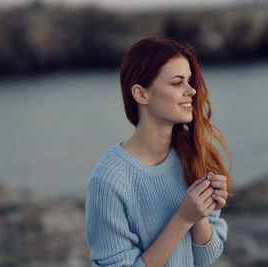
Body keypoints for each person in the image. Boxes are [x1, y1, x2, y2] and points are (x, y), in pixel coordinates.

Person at [85, 37, 232, 267]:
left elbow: (207, 256)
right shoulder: (108, 181)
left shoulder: (194, 155)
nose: (192, 91)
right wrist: (183, 219)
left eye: (190, 81)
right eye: (177, 83)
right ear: (141, 94)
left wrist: (200, 214)